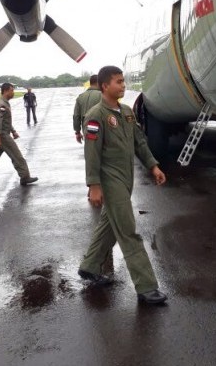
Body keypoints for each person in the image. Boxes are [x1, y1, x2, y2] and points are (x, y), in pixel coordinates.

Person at [77, 66, 168, 305]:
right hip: (110, 180)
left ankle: (89, 266)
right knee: (128, 231)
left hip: (126, 178)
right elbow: (92, 153)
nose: (123, 85)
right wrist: (94, 185)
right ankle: (146, 287)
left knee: (109, 223)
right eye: (118, 82)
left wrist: (153, 166)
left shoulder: (127, 112)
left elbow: (139, 142)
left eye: (124, 81)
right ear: (105, 85)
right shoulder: (96, 115)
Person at [73, 74, 102, 144]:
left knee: (90, 152)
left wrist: (77, 132)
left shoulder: (80, 97)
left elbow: (76, 116)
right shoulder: (103, 95)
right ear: (99, 83)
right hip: (101, 131)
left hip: (86, 131)